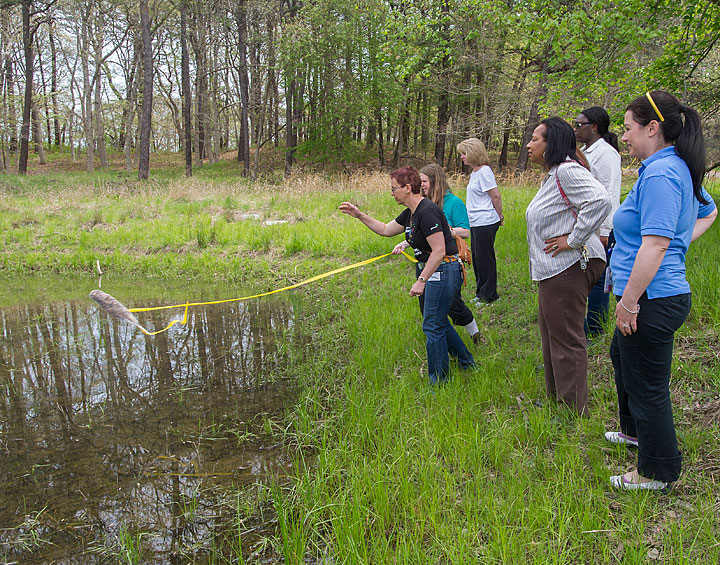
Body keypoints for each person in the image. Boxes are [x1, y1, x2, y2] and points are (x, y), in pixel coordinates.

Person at [606, 91, 717, 491]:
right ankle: (635, 434)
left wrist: (629, 302)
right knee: (623, 358)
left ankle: (656, 471)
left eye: (629, 128)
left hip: (653, 297)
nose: (625, 136)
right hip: (656, 293)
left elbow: (656, 245)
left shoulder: (661, 173)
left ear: (653, 128)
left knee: (648, 386)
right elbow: (709, 211)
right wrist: (679, 238)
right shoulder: (671, 168)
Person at [339, 166, 475, 385]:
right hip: (432, 270)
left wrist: (421, 281)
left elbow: (439, 250)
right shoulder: (411, 212)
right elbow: (385, 229)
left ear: (408, 188)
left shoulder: (427, 210)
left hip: (444, 270)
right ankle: (466, 362)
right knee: (436, 321)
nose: (392, 193)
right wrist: (359, 215)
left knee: (432, 325)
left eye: (394, 189)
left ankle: (438, 381)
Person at [525, 117, 610, 415]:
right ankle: (557, 398)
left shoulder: (567, 171)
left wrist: (573, 240)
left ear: (553, 144)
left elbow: (600, 200)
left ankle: (573, 410)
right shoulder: (552, 176)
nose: (529, 144)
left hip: (569, 266)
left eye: (536, 139)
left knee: (567, 338)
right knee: (552, 333)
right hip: (553, 269)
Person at [393, 164, 484, 345]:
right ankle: (453, 350)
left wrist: (444, 230)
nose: (421, 184)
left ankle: (475, 335)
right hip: (426, 264)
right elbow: (418, 232)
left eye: (424, 181)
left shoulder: (452, 203)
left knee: (453, 305)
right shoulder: (420, 204)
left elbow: (465, 232)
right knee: (428, 311)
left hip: (446, 263)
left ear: (435, 181)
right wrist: (406, 242)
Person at [573, 107, 622, 339]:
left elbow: (609, 194)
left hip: (601, 228)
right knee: (586, 275)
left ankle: (595, 328)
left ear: (593, 127)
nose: (575, 129)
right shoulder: (585, 151)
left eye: (579, 124)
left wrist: (604, 230)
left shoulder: (607, 154)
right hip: (586, 225)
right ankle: (587, 322)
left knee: (600, 278)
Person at [457, 138, 503, 305]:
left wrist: (500, 217)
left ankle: (489, 296)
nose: (462, 157)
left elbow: (495, 196)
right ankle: (481, 292)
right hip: (476, 222)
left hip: (486, 221)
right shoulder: (475, 172)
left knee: (485, 259)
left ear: (473, 152)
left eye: (464, 153)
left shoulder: (485, 171)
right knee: (477, 258)